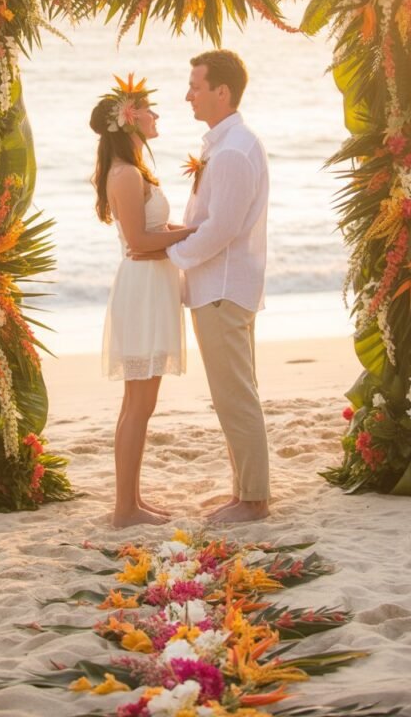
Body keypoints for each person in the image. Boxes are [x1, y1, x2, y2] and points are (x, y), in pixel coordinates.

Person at [132, 50, 271, 523]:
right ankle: (244, 492)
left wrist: (170, 254)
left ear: (222, 92)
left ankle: (253, 500)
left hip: (222, 288)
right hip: (222, 284)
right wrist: (171, 233)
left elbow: (221, 229)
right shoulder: (227, 144)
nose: (187, 94)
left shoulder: (232, 151)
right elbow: (206, 221)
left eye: (195, 85)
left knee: (234, 395)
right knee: (235, 391)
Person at [90, 74, 195, 528]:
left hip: (151, 283)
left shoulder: (132, 170)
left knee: (138, 404)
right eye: (149, 109)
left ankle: (130, 501)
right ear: (129, 119)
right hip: (143, 289)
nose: (156, 115)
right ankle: (125, 508)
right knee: (139, 405)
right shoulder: (127, 174)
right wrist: (196, 234)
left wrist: (182, 233)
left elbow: (151, 237)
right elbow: (137, 240)